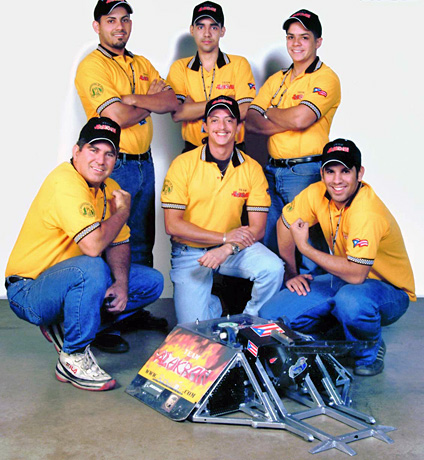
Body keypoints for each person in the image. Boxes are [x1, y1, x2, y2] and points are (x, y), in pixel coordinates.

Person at [5, 117, 164, 391]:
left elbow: (119, 242)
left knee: (151, 282)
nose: (100, 160)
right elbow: (92, 246)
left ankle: (68, 325)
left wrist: (122, 284)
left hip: (70, 280)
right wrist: (124, 211)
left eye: (109, 153)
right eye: (93, 149)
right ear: (76, 151)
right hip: (29, 291)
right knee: (92, 267)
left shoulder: (110, 188)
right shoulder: (65, 182)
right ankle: (73, 356)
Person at [259, 139, 415, 376]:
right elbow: (284, 224)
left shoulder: (367, 212)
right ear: (322, 174)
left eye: (345, 171)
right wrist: (291, 273)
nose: (337, 180)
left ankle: (368, 351)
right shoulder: (317, 193)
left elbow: (356, 274)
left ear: (359, 173)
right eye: (330, 172)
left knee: (351, 302)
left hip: (387, 290)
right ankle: (339, 333)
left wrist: (306, 248)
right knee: (271, 316)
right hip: (342, 279)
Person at [161, 96, 284, 323]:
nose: (222, 127)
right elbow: (173, 226)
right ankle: (215, 305)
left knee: (273, 268)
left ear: (238, 127)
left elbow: (256, 229)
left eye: (229, 121)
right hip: (190, 253)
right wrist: (223, 237)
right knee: (193, 331)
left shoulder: (252, 168)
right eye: (215, 120)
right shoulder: (183, 164)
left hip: (232, 249)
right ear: (205, 126)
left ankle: (250, 322)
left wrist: (226, 247)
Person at [75, 0, 178, 269]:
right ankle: (112, 311)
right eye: (111, 20)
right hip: (113, 164)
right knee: (114, 241)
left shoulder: (141, 63)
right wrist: (150, 100)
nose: (119, 26)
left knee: (143, 242)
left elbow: (171, 102)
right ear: (97, 26)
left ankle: (137, 309)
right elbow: (116, 117)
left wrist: (132, 99)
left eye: (125, 19)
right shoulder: (92, 66)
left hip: (146, 162)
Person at [246, 9, 341, 271]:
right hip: (272, 169)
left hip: (306, 172)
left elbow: (302, 119)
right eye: (291, 37)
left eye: (304, 37)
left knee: (307, 242)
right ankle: (279, 303)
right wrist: (280, 120)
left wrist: (272, 113)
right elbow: (251, 120)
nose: (296, 43)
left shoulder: (325, 78)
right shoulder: (277, 79)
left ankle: (312, 306)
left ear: (318, 42)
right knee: (273, 242)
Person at [167, 1, 256, 153]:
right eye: (201, 27)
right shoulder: (180, 67)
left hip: (232, 151)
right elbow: (178, 113)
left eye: (213, 27)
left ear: (222, 31)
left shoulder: (239, 64)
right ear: (192, 30)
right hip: (193, 152)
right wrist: (226, 101)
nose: (207, 33)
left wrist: (193, 107)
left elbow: (245, 111)